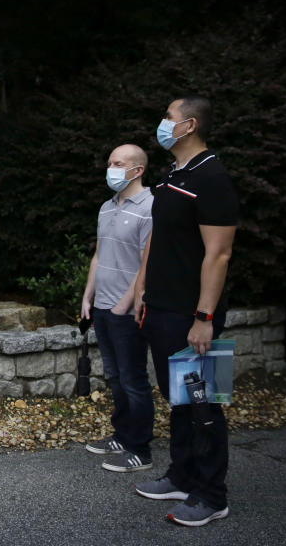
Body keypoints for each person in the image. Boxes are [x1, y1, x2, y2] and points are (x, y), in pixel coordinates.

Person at [132, 95, 238, 527]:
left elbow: (219, 254)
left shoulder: (211, 177)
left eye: (168, 118)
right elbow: (161, 236)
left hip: (191, 314)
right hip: (162, 306)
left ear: (189, 126)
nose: (162, 124)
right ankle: (182, 475)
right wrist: (142, 286)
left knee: (202, 403)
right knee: (177, 400)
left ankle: (212, 496)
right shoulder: (175, 173)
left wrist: (204, 317)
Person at [82, 144, 155, 473]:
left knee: (133, 379)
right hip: (102, 307)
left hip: (126, 312)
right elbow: (99, 256)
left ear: (137, 170)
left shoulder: (151, 207)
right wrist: (88, 296)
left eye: (118, 163)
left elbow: (147, 263)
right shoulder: (106, 207)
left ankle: (140, 448)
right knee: (113, 376)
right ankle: (122, 434)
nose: (110, 168)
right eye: (109, 162)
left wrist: (124, 304)